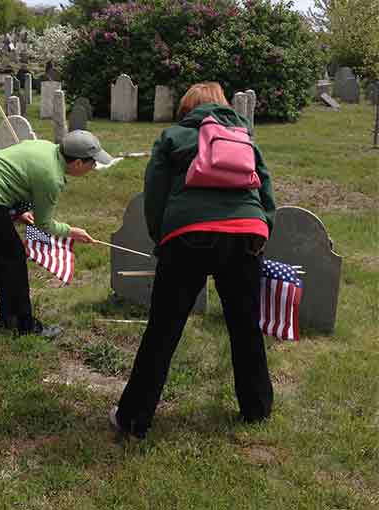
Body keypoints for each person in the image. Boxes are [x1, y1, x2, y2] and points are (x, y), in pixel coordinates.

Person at [109, 82, 277, 439]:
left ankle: (134, 419)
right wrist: (263, 230)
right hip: (247, 233)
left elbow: (154, 194)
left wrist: (162, 237)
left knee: (163, 329)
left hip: (189, 236)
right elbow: (265, 187)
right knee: (245, 325)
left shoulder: (172, 137)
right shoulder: (243, 134)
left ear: (187, 108)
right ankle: (257, 410)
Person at [0, 131, 113, 336]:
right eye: (93, 163)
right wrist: (72, 232)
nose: (94, 167)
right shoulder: (51, 178)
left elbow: (18, 173)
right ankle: (23, 325)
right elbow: (44, 224)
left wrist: (20, 211)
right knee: (12, 259)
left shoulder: (45, 147)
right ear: (78, 163)